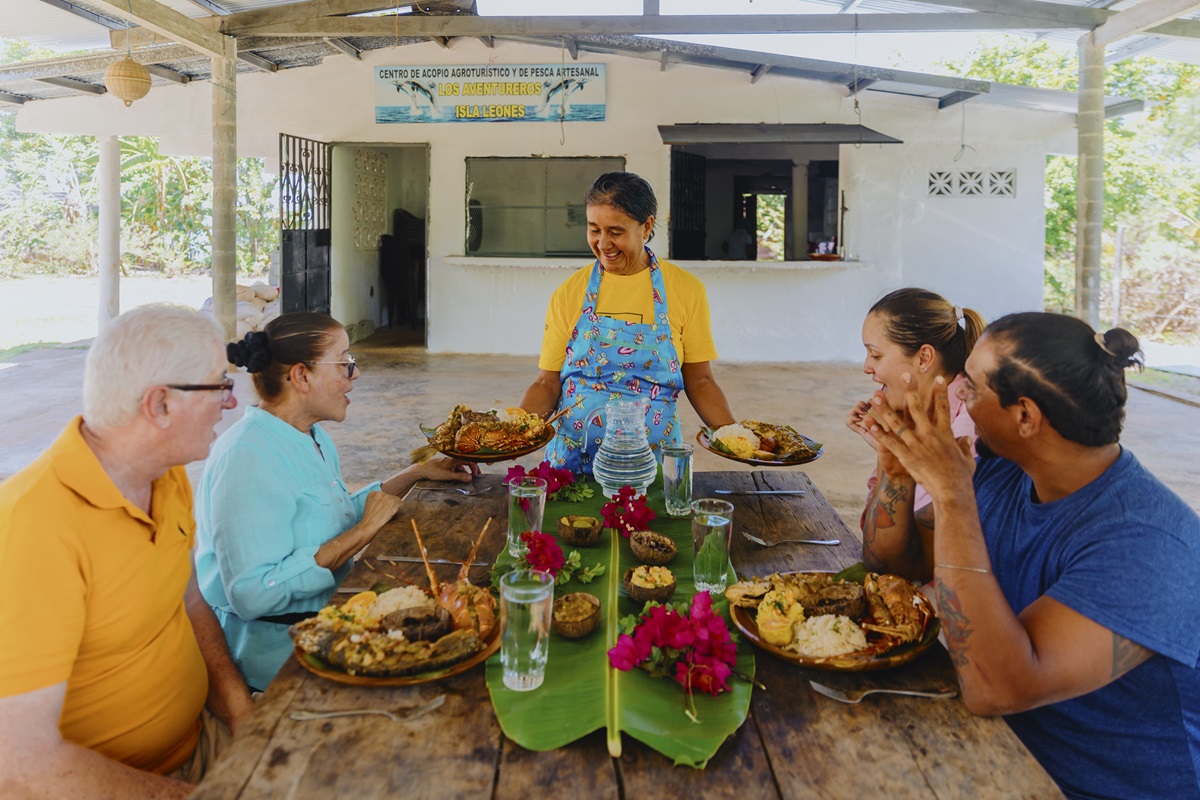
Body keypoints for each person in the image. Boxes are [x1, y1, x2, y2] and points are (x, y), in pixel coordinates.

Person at [865, 312, 1200, 800]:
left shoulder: (1145, 544)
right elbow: (900, 570)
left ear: (1025, 416)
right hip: (1001, 755)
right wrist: (898, 472)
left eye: (973, 388)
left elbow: (995, 688)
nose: (959, 396)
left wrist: (951, 493)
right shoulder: (1006, 474)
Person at [0, 305, 254, 798]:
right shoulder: (31, 528)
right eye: (219, 385)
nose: (230, 402)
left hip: (202, 742)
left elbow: (189, 599)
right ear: (159, 405)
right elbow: (19, 766)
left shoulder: (164, 471)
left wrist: (241, 710)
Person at [194, 311, 479, 692]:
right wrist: (363, 532)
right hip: (277, 664)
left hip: (329, 628)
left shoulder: (309, 436)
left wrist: (413, 475)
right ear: (302, 376)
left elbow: (330, 518)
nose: (354, 374)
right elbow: (253, 594)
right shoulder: (246, 456)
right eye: (344, 364)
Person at [520, 171, 736, 474]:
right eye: (594, 229)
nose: (603, 243)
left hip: (654, 467)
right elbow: (547, 382)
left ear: (646, 226)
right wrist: (508, 433)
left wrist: (735, 438)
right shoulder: (570, 292)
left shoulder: (686, 290)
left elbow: (700, 381)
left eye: (616, 231)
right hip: (572, 466)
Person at [845, 288, 985, 581]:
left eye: (876, 354)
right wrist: (890, 448)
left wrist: (895, 461)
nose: (866, 367)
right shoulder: (920, 418)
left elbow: (890, 564)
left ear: (923, 358)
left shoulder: (967, 435)